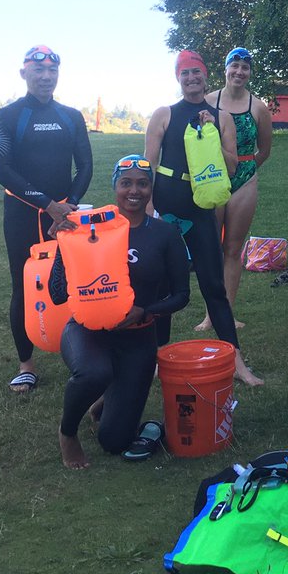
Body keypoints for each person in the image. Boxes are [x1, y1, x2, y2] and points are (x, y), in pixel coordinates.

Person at [52, 155, 192, 469]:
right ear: (115, 187)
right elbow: (57, 294)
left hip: (138, 339)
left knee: (114, 441)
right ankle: (67, 432)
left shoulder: (165, 234)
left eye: (143, 183)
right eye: (125, 183)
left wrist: (147, 311)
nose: (134, 191)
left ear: (151, 188)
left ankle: (106, 399)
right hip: (87, 332)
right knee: (94, 372)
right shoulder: (87, 228)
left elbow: (182, 295)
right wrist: (64, 246)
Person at [145, 50, 264, 386]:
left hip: (200, 210)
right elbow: (148, 166)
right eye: (185, 74)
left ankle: (236, 360)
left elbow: (230, 166)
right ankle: (157, 355)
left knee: (213, 284)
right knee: (163, 285)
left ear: (206, 75)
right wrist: (150, 210)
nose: (191, 79)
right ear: (177, 78)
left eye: (196, 73)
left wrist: (212, 135)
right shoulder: (164, 114)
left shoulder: (221, 117)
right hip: (167, 207)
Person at [0, 45, 93, 393]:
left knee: (74, 283)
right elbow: (2, 170)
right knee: (24, 285)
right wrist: (48, 204)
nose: (46, 77)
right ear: (24, 73)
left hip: (65, 214)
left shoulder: (71, 116)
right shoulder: (4, 117)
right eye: (38, 70)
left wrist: (70, 204)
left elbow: (86, 165)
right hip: (24, 214)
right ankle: (26, 364)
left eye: (52, 71)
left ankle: (79, 354)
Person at [197, 47, 273, 331]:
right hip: (213, 176)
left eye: (245, 67)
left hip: (244, 177)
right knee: (211, 248)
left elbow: (264, 150)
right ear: (226, 68)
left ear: (250, 73)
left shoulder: (258, 107)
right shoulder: (207, 101)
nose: (239, 72)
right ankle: (210, 314)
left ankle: (227, 311)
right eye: (235, 66)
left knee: (232, 248)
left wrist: (247, 170)